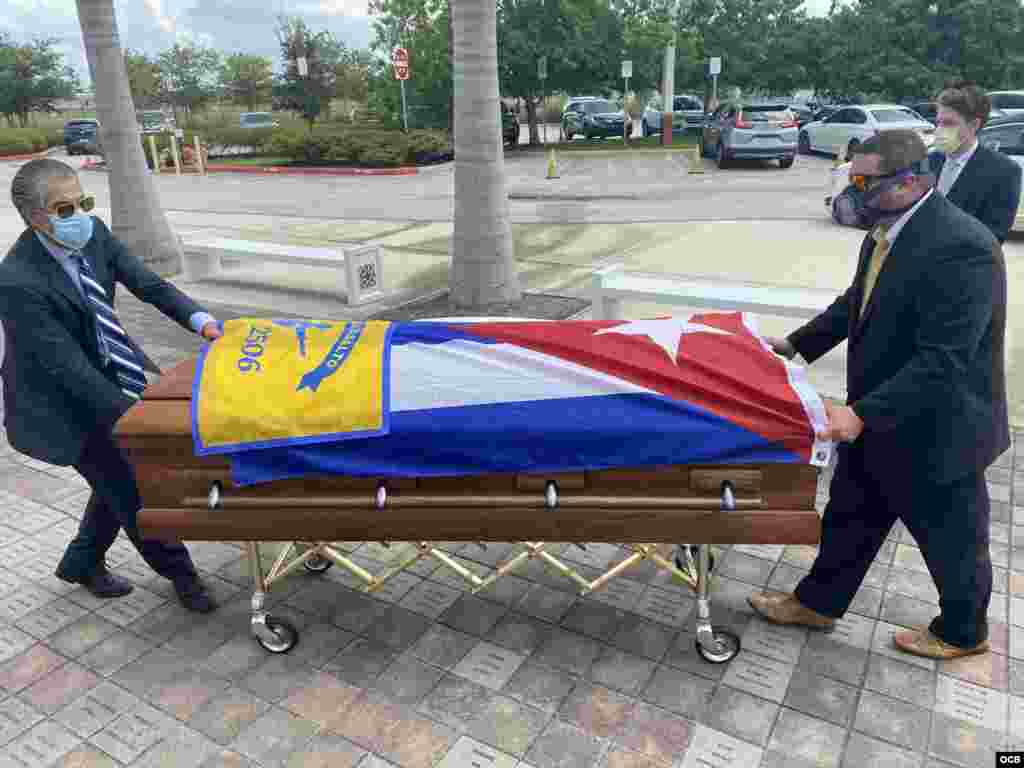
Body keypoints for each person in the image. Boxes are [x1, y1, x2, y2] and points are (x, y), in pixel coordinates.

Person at [751, 130, 1008, 660]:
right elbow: (857, 302)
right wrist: (797, 345)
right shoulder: (883, 230)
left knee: (952, 541)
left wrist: (861, 414)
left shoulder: (964, 248)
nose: (854, 191)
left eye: (866, 182)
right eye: (852, 178)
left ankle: (964, 633)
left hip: (940, 428)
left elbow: (945, 358)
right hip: (877, 418)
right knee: (849, 516)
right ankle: (818, 604)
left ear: (912, 181)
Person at [0, 159, 221, 612]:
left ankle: (81, 563)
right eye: (65, 209)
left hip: (107, 373)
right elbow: (67, 368)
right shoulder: (16, 280)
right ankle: (184, 578)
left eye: (84, 201)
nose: (79, 214)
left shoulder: (93, 232)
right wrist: (140, 417)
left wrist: (200, 321)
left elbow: (147, 284)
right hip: (61, 403)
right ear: (33, 217)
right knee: (133, 486)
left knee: (114, 484)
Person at [929, 79, 1022, 243]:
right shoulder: (928, 161)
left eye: (949, 123)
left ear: (974, 125)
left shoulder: (1003, 170)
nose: (939, 130)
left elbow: (993, 236)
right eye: (938, 122)